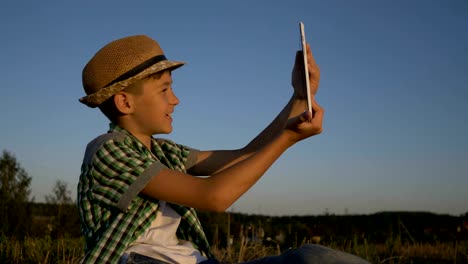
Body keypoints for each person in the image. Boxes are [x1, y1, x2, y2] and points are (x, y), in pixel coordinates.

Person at [77, 34, 369, 264]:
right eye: (164, 89)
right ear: (125, 102)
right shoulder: (107, 151)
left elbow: (247, 153)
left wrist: (300, 97)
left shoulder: (163, 153)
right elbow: (213, 195)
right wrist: (287, 139)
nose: (175, 99)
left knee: (314, 257)